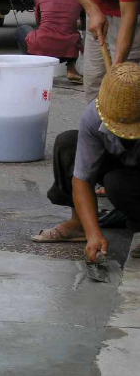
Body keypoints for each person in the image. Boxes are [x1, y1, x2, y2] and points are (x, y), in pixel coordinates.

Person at [33, 62, 140, 261]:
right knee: (68, 145)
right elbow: (82, 179)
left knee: (119, 184)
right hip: (121, 161)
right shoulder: (95, 114)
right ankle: (80, 225)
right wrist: (94, 235)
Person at [66, 0, 140, 103]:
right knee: (94, 83)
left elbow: (128, 16)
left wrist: (114, 74)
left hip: (130, 13)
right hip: (98, 7)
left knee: (125, 88)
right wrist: (92, 10)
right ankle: (94, 124)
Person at [14, 0, 84, 82]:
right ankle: (71, 69)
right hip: (67, 52)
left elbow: (38, 21)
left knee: (21, 29)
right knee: (75, 34)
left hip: (41, 50)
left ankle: (33, 67)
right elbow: (83, 24)